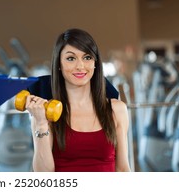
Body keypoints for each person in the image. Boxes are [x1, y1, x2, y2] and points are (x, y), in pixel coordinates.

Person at [25, 28, 131, 172]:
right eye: (71, 58)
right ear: (59, 65)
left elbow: (123, 169)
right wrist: (41, 123)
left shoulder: (117, 109)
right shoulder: (44, 114)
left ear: (95, 63)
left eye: (87, 57)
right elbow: (44, 176)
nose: (80, 66)